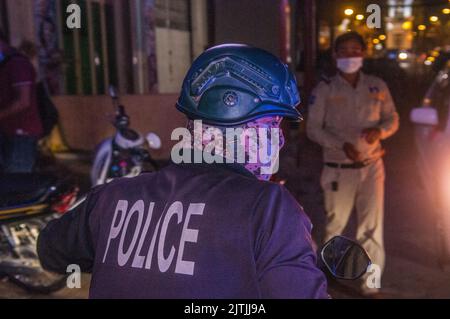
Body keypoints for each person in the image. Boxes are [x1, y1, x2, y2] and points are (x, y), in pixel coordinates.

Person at [37, 44, 329, 299]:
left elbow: (50, 250)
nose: (278, 139)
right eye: (273, 125)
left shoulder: (112, 196)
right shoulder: (269, 208)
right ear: (243, 129)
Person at [306, 32, 399, 295]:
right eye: (344, 51)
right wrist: (341, 145)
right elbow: (313, 129)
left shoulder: (377, 86)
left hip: (372, 167)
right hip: (338, 170)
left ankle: (371, 285)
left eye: (355, 50)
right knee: (336, 226)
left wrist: (380, 132)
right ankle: (326, 277)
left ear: (363, 54)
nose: (350, 55)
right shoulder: (325, 88)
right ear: (335, 55)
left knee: (371, 227)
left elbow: (392, 118)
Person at [0, 29, 43, 173]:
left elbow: (23, 101)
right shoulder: (6, 64)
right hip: (10, 132)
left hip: (22, 134)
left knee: (18, 183)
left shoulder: (18, 64)